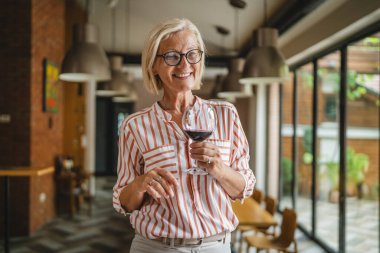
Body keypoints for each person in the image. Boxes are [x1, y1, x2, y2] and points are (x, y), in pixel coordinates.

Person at [113, 18, 255, 253]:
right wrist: (139, 185)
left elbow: (244, 188)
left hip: (216, 247)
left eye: (192, 54)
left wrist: (218, 168)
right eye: (171, 56)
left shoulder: (226, 115)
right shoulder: (135, 126)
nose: (184, 64)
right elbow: (123, 202)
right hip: (155, 247)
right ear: (153, 65)